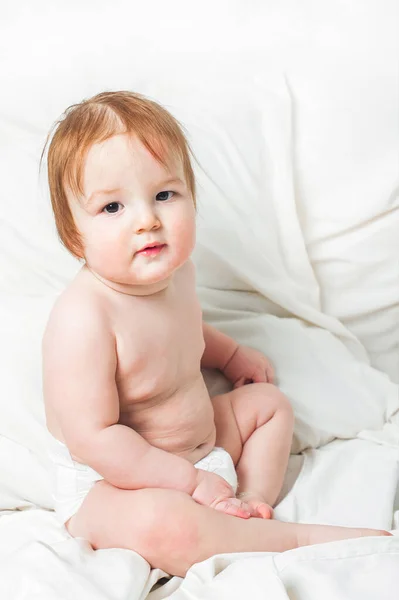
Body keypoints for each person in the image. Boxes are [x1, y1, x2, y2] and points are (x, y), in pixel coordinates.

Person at [41, 91, 390, 578]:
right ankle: (291, 539)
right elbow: (94, 438)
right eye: (113, 207)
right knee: (165, 526)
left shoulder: (176, 274)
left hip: (202, 451)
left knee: (269, 405)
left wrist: (230, 356)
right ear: (74, 235)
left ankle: (248, 505)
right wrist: (185, 482)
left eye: (164, 195)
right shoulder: (85, 318)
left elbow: (185, 333)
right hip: (115, 483)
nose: (148, 220)